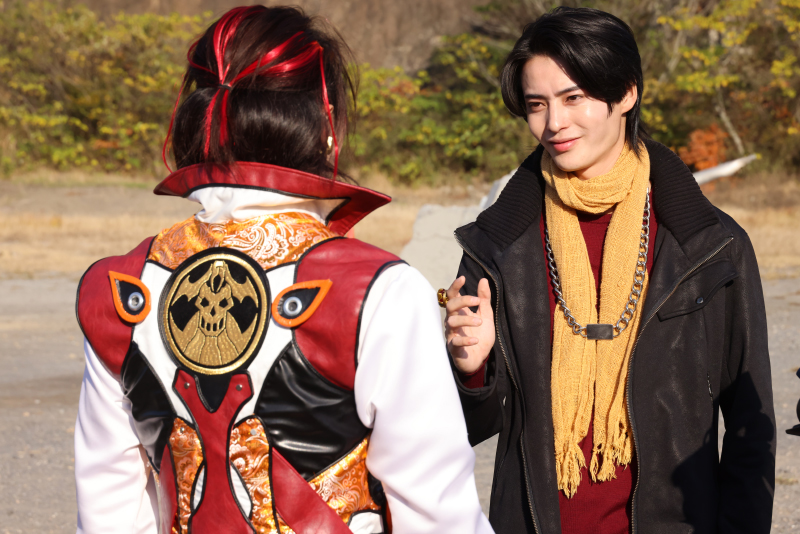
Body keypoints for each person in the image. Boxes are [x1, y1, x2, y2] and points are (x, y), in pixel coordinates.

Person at [74, 6, 494, 534]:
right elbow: (437, 514)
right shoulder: (376, 289)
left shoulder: (119, 287)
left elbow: (107, 507)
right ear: (325, 126)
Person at [441, 7, 775, 534]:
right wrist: (471, 370)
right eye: (536, 105)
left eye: (573, 98)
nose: (554, 123)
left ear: (626, 94)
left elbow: (750, 429)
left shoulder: (710, 246)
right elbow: (465, 428)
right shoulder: (497, 247)